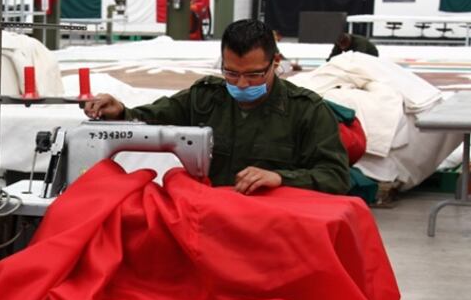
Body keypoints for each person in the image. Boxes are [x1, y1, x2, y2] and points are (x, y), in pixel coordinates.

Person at [83, 19, 351, 195]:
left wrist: (281, 178)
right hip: (213, 218)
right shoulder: (205, 98)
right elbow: (152, 117)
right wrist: (120, 111)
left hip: (273, 227)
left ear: (275, 62)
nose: (243, 84)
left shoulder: (307, 111)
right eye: (231, 73)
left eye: (255, 74)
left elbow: (336, 177)